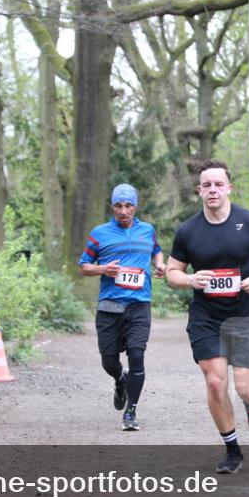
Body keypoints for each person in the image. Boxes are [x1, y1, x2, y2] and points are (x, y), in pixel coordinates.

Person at [166, 160, 249, 473]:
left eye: (218, 184)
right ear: (199, 191)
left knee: (246, 388)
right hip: (206, 318)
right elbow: (172, 272)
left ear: (229, 188)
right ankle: (233, 451)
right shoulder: (188, 231)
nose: (212, 190)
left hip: (245, 316)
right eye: (206, 185)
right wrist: (191, 279)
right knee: (215, 381)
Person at [80, 184, 165, 431]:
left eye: (128, 206)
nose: (123, 211)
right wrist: (102, 269)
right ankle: (120, 380)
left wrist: (160, 265)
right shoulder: (99, 233)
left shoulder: (147, 230)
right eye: (118, 205)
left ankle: (131, 412)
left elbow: (157, 251)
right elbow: (84, 266)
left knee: (137, 356)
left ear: (135, 207)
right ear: (112, 206)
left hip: (139, 305)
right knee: (109, 361)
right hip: (109, 307)